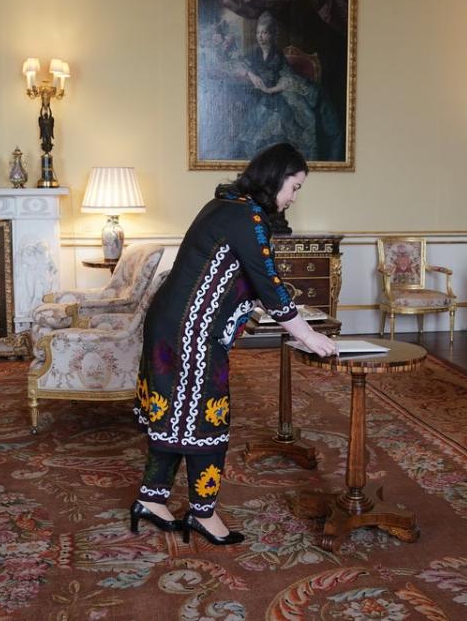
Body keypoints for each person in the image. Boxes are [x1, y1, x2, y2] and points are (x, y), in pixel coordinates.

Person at [131, 143, 337, 545]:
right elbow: (268, 282)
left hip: (173, 325)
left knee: (176, 413)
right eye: (294, 187)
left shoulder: (228, 205)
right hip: (189, 331)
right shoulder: (246, 216)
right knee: (207, 417)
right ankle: (203, 515)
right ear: (276, 178)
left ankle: (151, 500)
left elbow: (242, 277)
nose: (293, 197)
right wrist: (308, 335)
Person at [235, 12, 343, 161]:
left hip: (276, 94)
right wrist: (250, 74)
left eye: (264, 33)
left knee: (291, 119)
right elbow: (237, 64)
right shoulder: (254, 52)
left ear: (272, 35)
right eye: (258, 32)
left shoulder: (277, 55)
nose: (260, 36)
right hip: (258, 95)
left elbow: (286, 78)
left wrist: (270, 89)